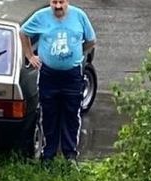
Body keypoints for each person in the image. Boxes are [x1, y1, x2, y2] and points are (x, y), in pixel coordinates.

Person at [20, 0, 96, 162]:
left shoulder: (79, 16)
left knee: (71, 115)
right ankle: (48, 155)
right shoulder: (41, 17)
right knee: (49, 115)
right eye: (54, 2)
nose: (58, 6)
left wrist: (76, 52)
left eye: (61, 2)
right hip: (48, 76)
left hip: (72, 76)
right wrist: (30, 56)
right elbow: (23, 32)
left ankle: (70, 156)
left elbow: (91, 40)